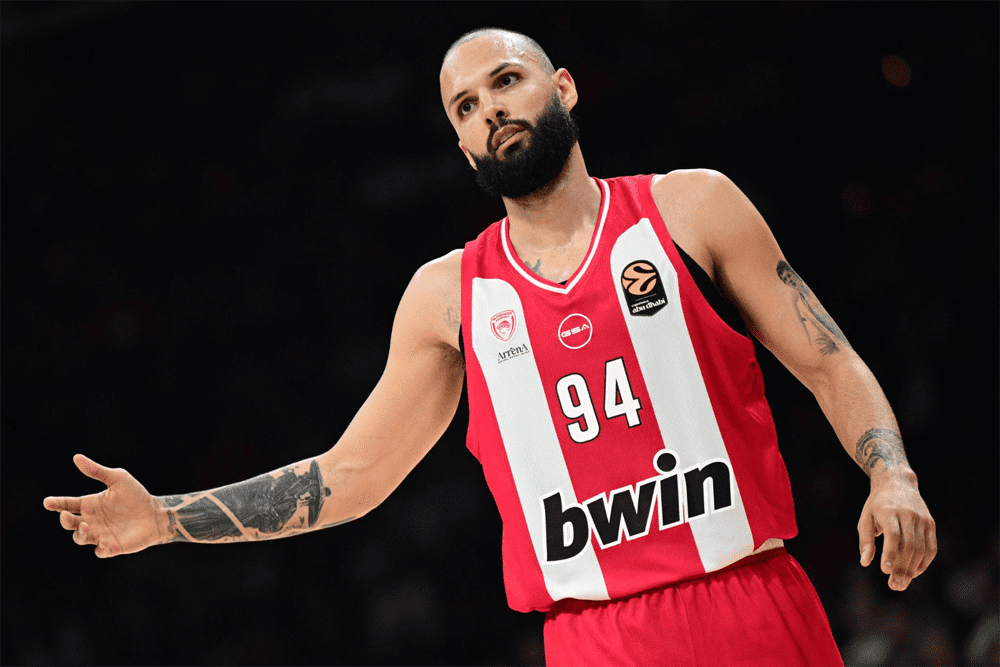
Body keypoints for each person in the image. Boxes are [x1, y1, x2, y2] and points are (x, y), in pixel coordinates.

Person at [44, 28, 936, 666]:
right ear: (462, 145)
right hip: (593, 636)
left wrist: (891, 473)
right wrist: (166, 517)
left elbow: (827, 359)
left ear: (565, 88)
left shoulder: (690, 207)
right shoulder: (447, 296)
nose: (490, 110)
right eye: (465, 107)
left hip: (749, 597)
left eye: (507, 81)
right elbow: (350, 475)